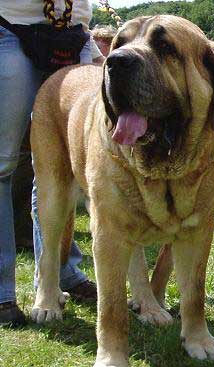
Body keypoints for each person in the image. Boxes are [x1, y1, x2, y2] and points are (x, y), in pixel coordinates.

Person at [0, 0, 102, 326]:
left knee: (61, 170)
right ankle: (2, 291)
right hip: (12, 28)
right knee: (2, 167)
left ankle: (62, 272)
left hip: (74, 37)